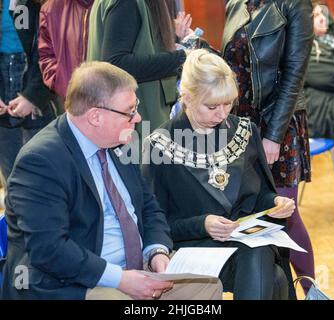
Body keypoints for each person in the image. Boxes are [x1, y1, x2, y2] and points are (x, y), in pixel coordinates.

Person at [0, 61, 222, 300]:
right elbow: (50, 249)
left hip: (134, 271)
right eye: (129, 111)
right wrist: (120, 279)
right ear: (96, 116)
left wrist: (156, 251)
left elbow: (148, 207)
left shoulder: (118, 143)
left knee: (208, 288)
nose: (138, 118)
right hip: (73, 282)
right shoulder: (41, 161)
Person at [142, 49, 296, 300]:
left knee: (262, 258)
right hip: (193, 249)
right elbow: (153, 224)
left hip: (244, 248)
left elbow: (261, 196)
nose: (223, 114)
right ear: (187, 97)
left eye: (228, 104)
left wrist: (274, 204)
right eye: (212, 106)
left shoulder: (245, 131)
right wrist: (202, 224)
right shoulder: (159, 144)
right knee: (273, 276)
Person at [221, 0, 315, 294]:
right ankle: (274, 286)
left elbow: (293, 77)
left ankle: (311, 289)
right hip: (241, 125)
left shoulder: (294, 5)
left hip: (279, 124)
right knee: (252, 210)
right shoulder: (235, 4)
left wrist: (273, 136)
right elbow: (233, 65)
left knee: (285, 213)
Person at [87, 0, 188, 133]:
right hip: (133, 121)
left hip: (128, 116)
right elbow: (117, 65)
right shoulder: (127, 3)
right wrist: (182, 57)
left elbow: (137, 47)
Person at [0, 0, 57, 186]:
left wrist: (33, 96)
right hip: (3, 108)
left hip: (40, 101)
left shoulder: (45, 5)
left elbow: (54, 53)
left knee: (43, 179)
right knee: (13, 180)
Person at [305, 2, 334, 143]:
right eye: (316, 16)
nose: (323, 18)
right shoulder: (306, 49)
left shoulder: (331, 39)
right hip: (321, 112)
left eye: (323, 14)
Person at [38, 0, 94, 100]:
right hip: (70, 101)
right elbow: (46, 54)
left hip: (113, 101)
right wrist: (61, 83)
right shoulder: (51, 9)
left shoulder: (114, 4)